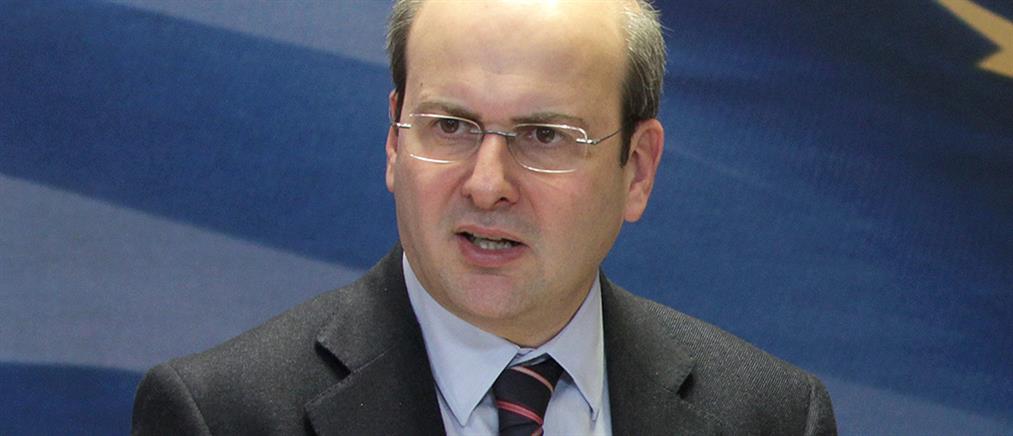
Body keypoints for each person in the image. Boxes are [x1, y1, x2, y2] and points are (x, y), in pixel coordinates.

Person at [132, 0, 837, 434]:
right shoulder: (223, 416)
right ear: (393, 141)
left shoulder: (770, 418)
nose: (487, 185)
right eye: (449, 126)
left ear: (638, 168)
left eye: (544, 136)